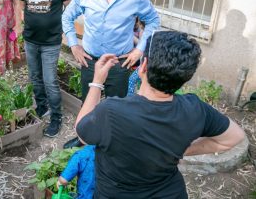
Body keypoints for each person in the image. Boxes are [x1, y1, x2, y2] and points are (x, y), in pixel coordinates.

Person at [75, 31, 246, 198]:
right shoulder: (195, 109)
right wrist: (181, 151)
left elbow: (82, 134)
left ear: (143, 66)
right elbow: (234, 137)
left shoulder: (111, 111)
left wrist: (97, 82)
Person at [62, 0, 160, 149]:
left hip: (119, 62)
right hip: (90, 60)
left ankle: (112, 144)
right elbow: (67, 16)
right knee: (89, 103)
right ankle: (84, 141)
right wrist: (74, 45)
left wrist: (139, 49)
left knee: (118, 107)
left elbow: (153, 20)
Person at [15, 0, 72, 138]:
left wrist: (65, 29)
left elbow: (69, 9)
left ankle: (56, 117)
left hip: (51, 41)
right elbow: (20, 5)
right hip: (30, 39)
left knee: (50, 81)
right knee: (35, 77)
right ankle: (41, 107)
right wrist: (19, 25)